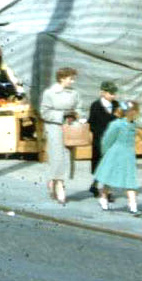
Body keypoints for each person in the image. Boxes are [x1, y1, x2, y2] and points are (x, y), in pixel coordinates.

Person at [38, 66, 79, 206]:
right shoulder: (50, 93)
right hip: (54, 128)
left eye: (73, 79)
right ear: (62, 78)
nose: (72, 82)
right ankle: (60, 185)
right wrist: (62, 115)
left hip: (69, 129)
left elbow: (80, 108)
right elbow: (44, 112)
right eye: (70, 79)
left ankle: (54, 181)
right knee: (57, 157)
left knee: (66, 158)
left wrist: (78, 116)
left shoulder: (74, 93)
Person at [94, 101, 142, 216]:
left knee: (130, 180)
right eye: (134, 111)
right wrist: (105, 153)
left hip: (128, 156)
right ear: (130, 112)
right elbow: (107, 140)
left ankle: (133, 205)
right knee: (109, 178)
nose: (136, 114)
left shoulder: (133, 125)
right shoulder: (116, 124)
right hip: (115, 154)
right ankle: (104, 198)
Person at [87, 80, 119, 199]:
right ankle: (96, 185)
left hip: (113, 140)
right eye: (111, 93)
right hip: (100, 140)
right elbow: (92, 122)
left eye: (114, 93)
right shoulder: (96, 105)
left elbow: (124, 116)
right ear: (102, 93)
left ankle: (107, 191)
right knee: (101, 164)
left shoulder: (117, 104)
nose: (113, 96)